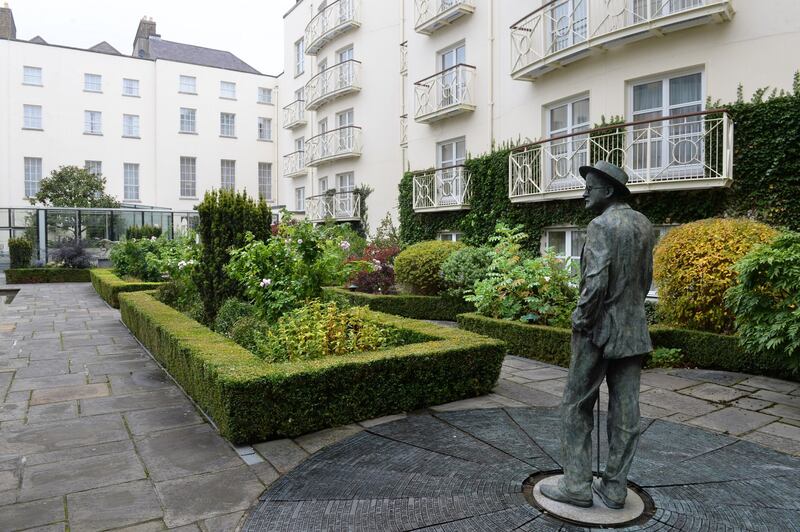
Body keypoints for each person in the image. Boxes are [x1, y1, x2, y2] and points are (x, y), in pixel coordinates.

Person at [540, 160, 654, 509]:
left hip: (597, 329)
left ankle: (576, 485)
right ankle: (615, 488)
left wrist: (580, 319)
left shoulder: (601, 225)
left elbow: (595, 281)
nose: (585, 191)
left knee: (575, 406)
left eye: (590, 186)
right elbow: (646, 278)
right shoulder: (645, 224)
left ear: (608, 190)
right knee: (626, 412)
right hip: (633, 329)